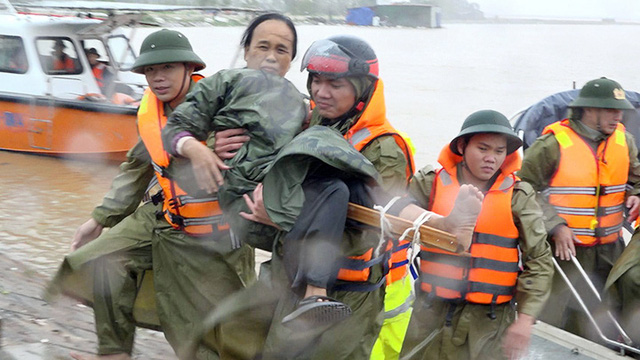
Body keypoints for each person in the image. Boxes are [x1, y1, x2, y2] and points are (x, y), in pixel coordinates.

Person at [44, 29, 256, 360]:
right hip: (160, 212)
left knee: (211, 331)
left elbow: (254, 162)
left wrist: (211, 147)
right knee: (95, 260)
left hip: (214, 232)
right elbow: (135, 167)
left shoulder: (222, 104)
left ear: (189, 68)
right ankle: (114, 353)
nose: (157, 78)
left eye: (167, 68)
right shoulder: (152, 111)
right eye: (150, 71)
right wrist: (100, 219)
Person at [399, 109, 554, 360]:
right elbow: (396, 214)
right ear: (462, 146)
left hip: (490, 320)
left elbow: (539, 261)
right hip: (431, 311)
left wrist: (525, 321)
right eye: (483, 149)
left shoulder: (518, 195)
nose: (491, 158)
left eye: (499, 151)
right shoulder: (429, 183)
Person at [519, 77, 640, 341]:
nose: (617, 116)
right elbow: (523, 189)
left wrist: (637, 195)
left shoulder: (625, 141)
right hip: (566, 251)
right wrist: (555, 226)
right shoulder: (552, 143)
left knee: (612, 314)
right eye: (610, 110)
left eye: (620, 110)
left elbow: (637, 177)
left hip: (611, 247)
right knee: (564, 319)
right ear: (588, 109)